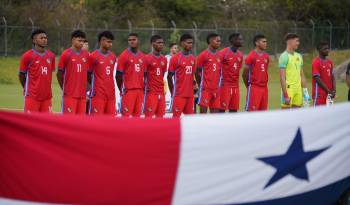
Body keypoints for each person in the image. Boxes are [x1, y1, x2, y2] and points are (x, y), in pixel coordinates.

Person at [19, 29, 55, 113]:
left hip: (47, 97)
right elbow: (21, 75)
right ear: (34, 40)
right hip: (32, 97)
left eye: (45, 38)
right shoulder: (27, 56)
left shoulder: (51, 56)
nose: (44, 39)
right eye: (41, 38)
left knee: (46, 124)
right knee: (30, 124)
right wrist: (29, 89)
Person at [57, 30, 90, 114]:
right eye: (79, 40)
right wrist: (64, 89)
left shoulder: (86, 55)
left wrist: (87, 93)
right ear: (73, 40)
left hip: (82, 96)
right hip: (70, 95)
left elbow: (88, 74)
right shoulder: (65, 54)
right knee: (68, 122)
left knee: (80, 122)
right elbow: (59, 74)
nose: (82, 43)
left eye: (83, 41)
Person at [88, 31, 117, 115]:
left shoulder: (113, 56)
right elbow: (88, 75)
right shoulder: (93, 56)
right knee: (96, 122)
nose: (110, 44)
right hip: (98, 95)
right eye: (108, 42)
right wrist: (95, 87)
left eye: (111, 42)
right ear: (101, 41)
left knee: (110, 122)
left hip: (111, 94)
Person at [116, 33, 145, 117]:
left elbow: (145, 74)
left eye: (134, 40)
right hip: (128, 91)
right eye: (129, 40)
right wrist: (121, 89)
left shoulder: (142, 56)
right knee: (126, 117)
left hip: (140, 91)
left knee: (137, 117)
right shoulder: (123, 55)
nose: (132, 42)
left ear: (138, 40)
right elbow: (118, 75)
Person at [167, 34, 196, 117]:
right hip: (179, 95)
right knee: (176, 118)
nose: (191, 45)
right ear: (182, 44)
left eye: (192, 43)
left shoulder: (193, 59)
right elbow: (169, 77)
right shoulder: (175, 58)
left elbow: (191, 77)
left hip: (190, 96)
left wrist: (195, 86)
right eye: (188, 43)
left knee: (190, 119)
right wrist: (173, 92)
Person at [279, 33, 310, 109]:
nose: (298, 43)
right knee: (286, 117)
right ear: (289, 41)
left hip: (298, 89)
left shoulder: (299, 56)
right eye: (296, 41)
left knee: (297, 116)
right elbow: (282, 78)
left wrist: (305, 93)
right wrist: (285, 95)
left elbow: (302, 76)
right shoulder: (284, 56)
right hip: (288, 89)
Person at [196, 33, 222, 113]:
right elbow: (197, 72)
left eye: (220, 41)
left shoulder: (220, 55)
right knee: (203, 115)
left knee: (215, 116)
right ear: (210, 41)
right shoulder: (203, 55)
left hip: (216, 90)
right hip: (205, 90)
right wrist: (201, 85)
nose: (219, 42)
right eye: (217, 40)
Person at [242, 34, 270, 111]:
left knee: (263, 113)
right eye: (263, 41)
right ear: (257, 43)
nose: (265, 43)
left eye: (266, 41)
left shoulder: (266, 56)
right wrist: (249, 86)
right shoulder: (251, 56)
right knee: (252, 113)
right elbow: (244, 74)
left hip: (264, 88)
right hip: (254, 88)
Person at [143, 35, 167, 118]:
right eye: (159, 42)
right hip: (151, 93)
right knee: (148, 117)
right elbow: (144, 76)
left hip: (161, 92)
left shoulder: (164, 59)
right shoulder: (146, 58)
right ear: (153, 44)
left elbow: (162, 74)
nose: (161, 44)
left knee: (160, 118)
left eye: (162, 43)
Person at [219, 33, 244, 113]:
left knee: (234, 111)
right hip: (224, 86)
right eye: (239, 39)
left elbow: (237, 69)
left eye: (241, 39)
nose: (241, 41)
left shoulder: (240, 55)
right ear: (232, 40)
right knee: (221, 110)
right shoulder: (223, 53)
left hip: (235, 86)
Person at [311, 41, 336, 106]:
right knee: (318, 115)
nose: (327, 50)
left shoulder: (330, 62)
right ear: (319, 50)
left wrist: (334, 90)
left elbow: (332, 77)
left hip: (329, 95)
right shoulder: (316, 62)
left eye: (328, 48)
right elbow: (317, 78)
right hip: (319, 95)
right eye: (325, 49)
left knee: (329, 114)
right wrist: (328, 90)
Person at [165, 43, 179, 112]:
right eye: (175, 48)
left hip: (175, 80)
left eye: (177, 48)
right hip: (167, 79)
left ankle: (172, 108)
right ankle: (168, 108)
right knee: (167, 93)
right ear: (171, 49)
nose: (176, 49)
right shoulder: (166, 58)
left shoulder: (179, 58)